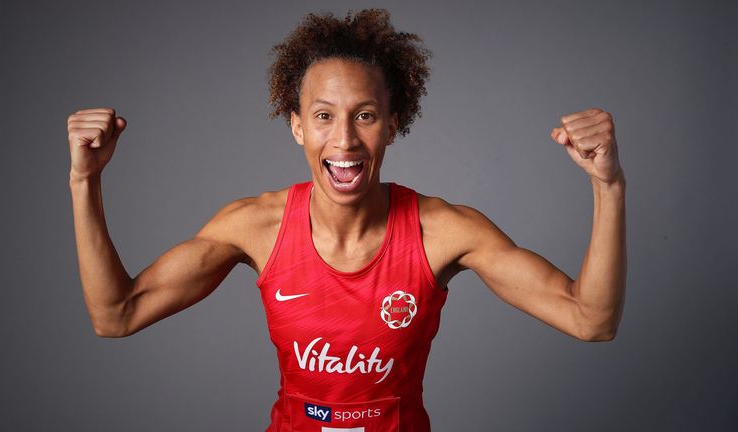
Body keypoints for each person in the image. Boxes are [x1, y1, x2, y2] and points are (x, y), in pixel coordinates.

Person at [67, 8, 626, 432]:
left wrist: (608, 185)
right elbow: (116, 315)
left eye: (364, 116)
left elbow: (590, 319)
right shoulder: (254, 226)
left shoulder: (444, 231)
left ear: (391, 124)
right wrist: (84, 181)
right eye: (323, 117)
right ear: (297, 127)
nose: (344, 140)